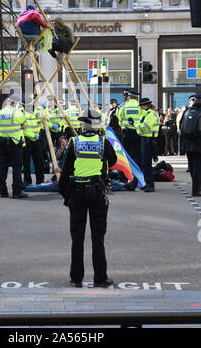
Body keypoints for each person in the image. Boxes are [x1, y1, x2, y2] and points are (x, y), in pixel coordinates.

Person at [58, 109, 117, 288]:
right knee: (98, 237)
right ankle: (100, 278)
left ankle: (76, 278)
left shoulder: (74, 143)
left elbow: (65, 168)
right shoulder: (103, 142)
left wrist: (65, 195)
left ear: (83, 126)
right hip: (98, 193)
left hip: (77, 192)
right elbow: (113, 161)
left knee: (77, 237)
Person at [0, 95, 28, 199]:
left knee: (3, 167)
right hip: (15, 143)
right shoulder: (17, 112)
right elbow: (24, 125)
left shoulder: (0, 113)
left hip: (2, 143)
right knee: (16, 168)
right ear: (14, 103)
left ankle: (2, 191)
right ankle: (16, 191)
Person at [180, 93, 201, 197]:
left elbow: (182, 127)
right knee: (199, 167)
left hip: (188, 144)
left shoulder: (186, 111)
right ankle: (196, 190)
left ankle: (195, 186)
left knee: (192, 166)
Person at [137, 98, 160, 193]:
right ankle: (147, 183)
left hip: (148, 140)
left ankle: (150, 185)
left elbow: (144, 127)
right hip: (147, 140)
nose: (141, 108)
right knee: (145, 163)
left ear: (146, 106)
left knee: (146, 163)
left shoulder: (150, 115)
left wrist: (136, 125)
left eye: (142, 106)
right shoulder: (148, 114)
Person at [116, 89, 142, 166]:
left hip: (126, 133)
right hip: (138, 132)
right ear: (137, 98)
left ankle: (123, 175)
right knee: (138, 154)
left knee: (124, 155)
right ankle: (138, 173)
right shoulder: (140, 107)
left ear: (129, 97)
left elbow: (119, 117)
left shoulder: (123, 107)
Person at [22, 102, 45, 186]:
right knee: (26, 162)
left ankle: (40, 180)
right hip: (27, 139)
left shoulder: (38, 113)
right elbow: (22, 129)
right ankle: (27, 181)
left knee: (39, 160)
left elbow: (41, 123)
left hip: (36, 140)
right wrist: (33, 135)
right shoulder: (22, 114)